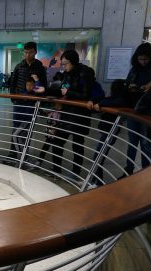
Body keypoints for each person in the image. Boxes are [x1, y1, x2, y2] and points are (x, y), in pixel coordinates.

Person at [120, 43, 151, 177]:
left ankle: (145, 172)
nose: (143, 62)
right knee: (132, 141)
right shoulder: (135, 69)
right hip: (134, 110)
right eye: (140, 59)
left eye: (145, 59)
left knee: (146, 143)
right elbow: (127, 85)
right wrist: (131, 87)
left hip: (149, 113)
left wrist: (150, 86)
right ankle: (128, 169)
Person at [49, 49, 95, 178]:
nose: (63, 67)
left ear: (73, 62)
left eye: (65, 64)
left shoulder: (85, 73)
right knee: (57, 142)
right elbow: (62, 90)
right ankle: (56, 170)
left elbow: (86, 95)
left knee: (77, 145)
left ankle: (76, 173)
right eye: (62, 64)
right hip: (67, 114)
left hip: (80, 116)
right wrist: (46, 90)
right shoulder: (67, 74)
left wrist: (68, 93)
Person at [9, 41, 47, 159]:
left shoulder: (40, 68)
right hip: (19, 103)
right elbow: (12, 82)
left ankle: (23, 154)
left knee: (27, 130)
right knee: (16, 128)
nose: (27, 55)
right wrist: (14, 98)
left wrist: (38, 100)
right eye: (25, 52)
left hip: (31, 104)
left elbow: (43, 85)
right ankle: (13, 153)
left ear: (35, 52)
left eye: (30, 52)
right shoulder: (19, 66)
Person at [87, 79, 127, 186]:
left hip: (110, 131)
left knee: (98, 156)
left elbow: (111, 101)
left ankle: (98, 182)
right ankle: (95, 180)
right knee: (98, 156)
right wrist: (94, 101)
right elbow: (104, 99)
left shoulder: (120, 100)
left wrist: (99, 104)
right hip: (107, 130)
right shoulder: (114, 98)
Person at [11, 76, 44, 158]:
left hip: (27, 121)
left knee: (19, 137)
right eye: (27, 85)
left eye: (31, 85)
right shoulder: (23, 93)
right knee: (21, 138)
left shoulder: (34, 94)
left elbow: (39, 90)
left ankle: (22, 157)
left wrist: (37, 80)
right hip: (20, 121)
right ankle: (23, 157)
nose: (29, 87)